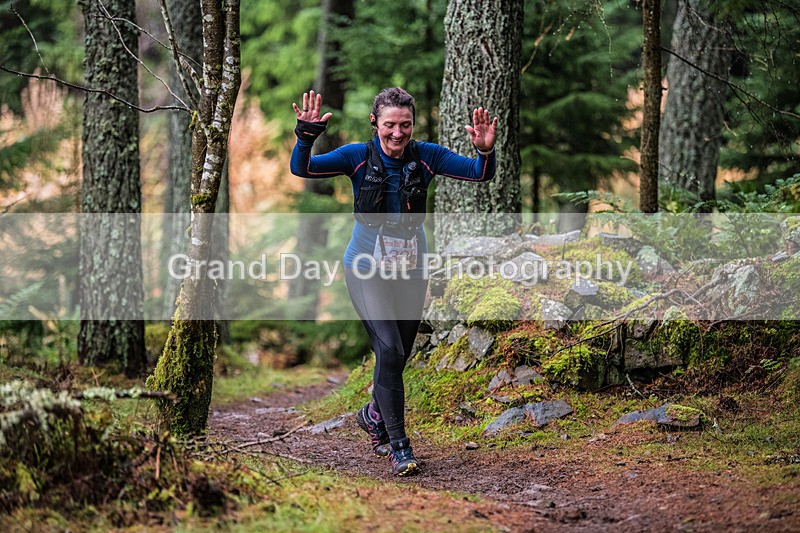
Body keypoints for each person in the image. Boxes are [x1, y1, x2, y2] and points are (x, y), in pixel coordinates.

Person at [290, 87, 497, 476]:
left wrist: (486, 150)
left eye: (405, 125)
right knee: (388, 349)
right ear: (375, 124)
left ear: (413, 125)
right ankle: (399, 446)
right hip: (366, 268)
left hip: (411, 270)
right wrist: (305, 135)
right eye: (389, 125)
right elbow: (303, 169)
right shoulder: (357, 156)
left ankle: (371, 414)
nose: (397, 134)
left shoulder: (427, 156)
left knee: (400, 354)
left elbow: (478, 173)